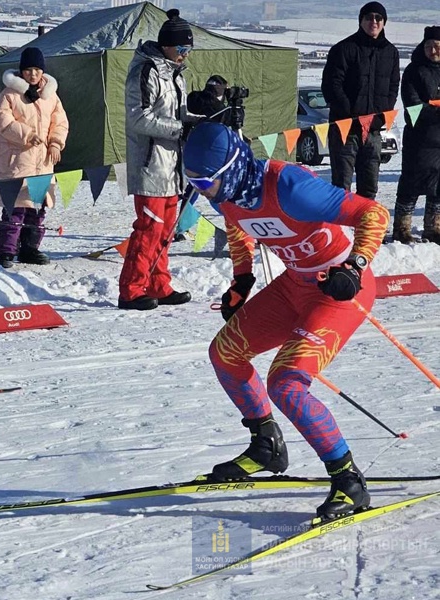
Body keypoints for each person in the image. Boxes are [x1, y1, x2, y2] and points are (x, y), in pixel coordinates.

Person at [184, 122, 390, 520]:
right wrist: (242, 279)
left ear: (231, 168)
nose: (202, 190)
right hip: (294, 285)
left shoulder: (291, 187)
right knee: (225, 353)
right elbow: (235, 223)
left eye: (207, 181)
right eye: (194, 181)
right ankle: (266, 445)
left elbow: (373, 213)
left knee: (286, 383)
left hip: (339, 290)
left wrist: (355, 265)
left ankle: (348, 480)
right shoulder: (225, 192)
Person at [119, 8, 194, 311]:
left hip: (173, 167)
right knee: (148, 230)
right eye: (181, 48)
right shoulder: (145, 70)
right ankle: (131, 289)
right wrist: (180, 129)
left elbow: (180, 115)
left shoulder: (177, 75)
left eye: (188, 49)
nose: (185, 55)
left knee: (165, 232)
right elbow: (138, 118)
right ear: (167, 45)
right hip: (150, 165)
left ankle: (159, 284)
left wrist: (204, 120)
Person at [0, 46, 69, 269]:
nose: (32, 74)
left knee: (37, 209)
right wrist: (27, 135)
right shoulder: (9, 95)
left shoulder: (50, 96)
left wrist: (55, 143)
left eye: (36, 70)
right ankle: (7, 250)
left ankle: (30, 248)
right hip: (16, 161)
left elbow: (60, 123)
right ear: (21, 72)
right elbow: (3, 123)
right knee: (14, 209)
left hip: (43, 163)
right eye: (28, 70)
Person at [321, 1, 400, 199]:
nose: (373, 21)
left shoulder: (390, 52)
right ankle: (340, 229)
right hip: (345, 128)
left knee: (369, 186)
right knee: (341, 185)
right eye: (369, 17)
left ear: (384, 23)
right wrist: (349, 112)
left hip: (373, 130)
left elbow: (393, 86)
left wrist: (382, 114)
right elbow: (331, 86)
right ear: (361, 21)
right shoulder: (344, 49)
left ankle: (365, 229)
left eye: (378, 18)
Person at [393, 26, 440, 244]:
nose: (433, 50)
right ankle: (402, 227)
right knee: (411, 184)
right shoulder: (413, 70)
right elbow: (413, 105)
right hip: (419, 139)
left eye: (437, 46)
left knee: (438, 187)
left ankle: (434, 226)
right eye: (429, 46)